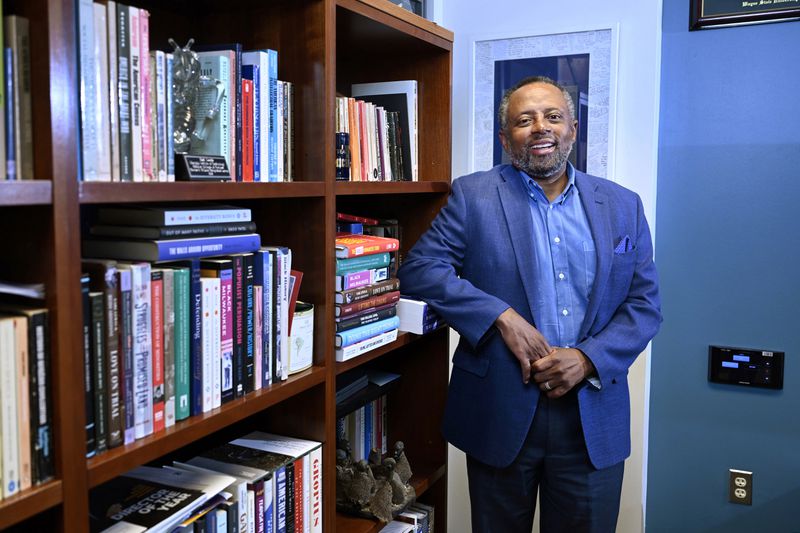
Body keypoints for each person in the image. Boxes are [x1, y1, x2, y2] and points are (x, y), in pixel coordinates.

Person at [397, 76, 662, 532]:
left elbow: (644, 305)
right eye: (525, 120)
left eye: (553, 116)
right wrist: (500, 316)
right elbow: (420, 269)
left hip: (591, 417)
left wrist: (586, 358)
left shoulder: (623, 205)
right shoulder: (474, 196)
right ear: (505, 139)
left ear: (573, 130)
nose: (541, 127)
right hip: (500, 408)